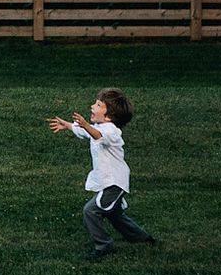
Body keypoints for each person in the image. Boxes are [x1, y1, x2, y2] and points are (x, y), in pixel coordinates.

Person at [49, 88, 156, 261]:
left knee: (90, 211)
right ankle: (141, 237)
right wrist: (68, 126)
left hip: (114, 183)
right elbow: (88, 132)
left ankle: (104, 245)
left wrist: (85, 125)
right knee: (114, 214)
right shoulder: (99, 127)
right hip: (110, 181)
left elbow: (97, 135)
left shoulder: (112, 132)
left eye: (98, 105)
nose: (93, 106)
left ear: (109, 116)